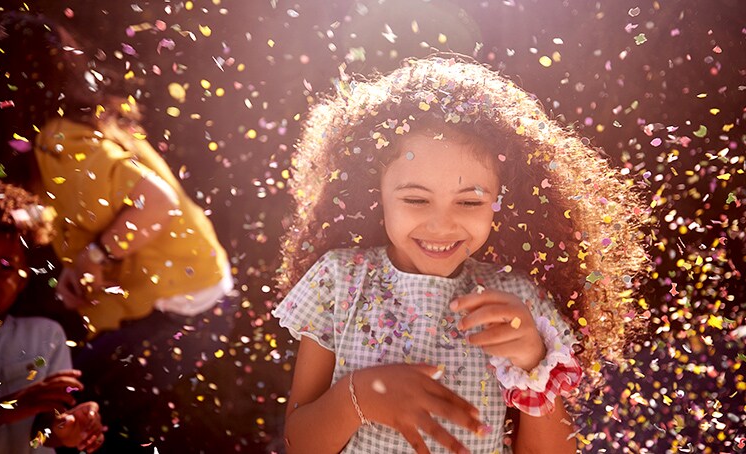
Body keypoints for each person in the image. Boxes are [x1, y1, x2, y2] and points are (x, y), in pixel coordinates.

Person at [273, 55, 649, 453]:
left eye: (469, 202)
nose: (441, 225)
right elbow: (300, 444)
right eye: (416, 199)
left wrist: (532, 362)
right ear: (375, 194)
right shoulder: (339, 281)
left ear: (502, 202)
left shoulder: (520, 303)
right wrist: (361, 398)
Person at [0, 12, 235, 450]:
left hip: (176, 312)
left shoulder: (59, 139)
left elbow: (156, 202)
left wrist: (96, 257)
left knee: (78, 409)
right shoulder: (95, 125)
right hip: (195, 298)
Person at [0, 177, 105, 453]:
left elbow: (42, 432)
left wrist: (69, 428)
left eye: (3, 267)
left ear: (24, 277)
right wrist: (15, 405)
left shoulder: (45, 337)